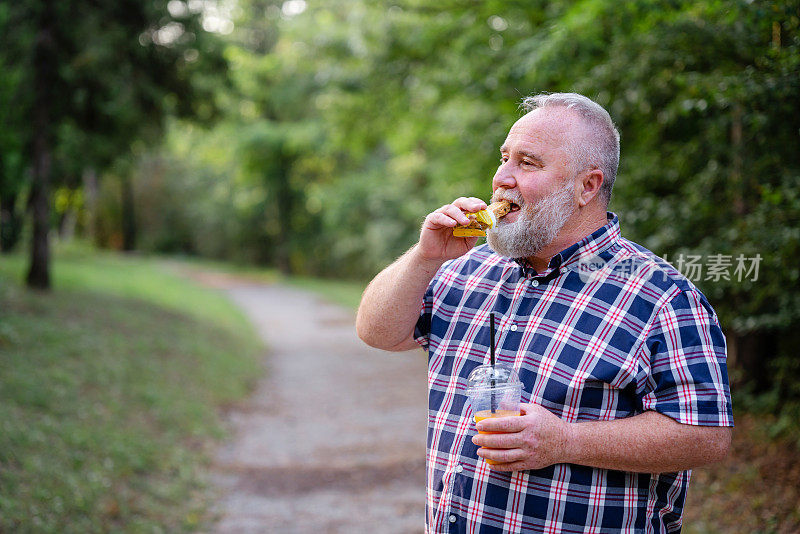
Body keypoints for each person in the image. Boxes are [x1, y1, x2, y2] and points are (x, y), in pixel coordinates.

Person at [356, 92, 733, 533]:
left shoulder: (661, 295)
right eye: (503, 158)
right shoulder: (467, 269)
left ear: (586, 186)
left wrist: (565, 440)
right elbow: (376, 331)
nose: (501, 178)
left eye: (527, 163)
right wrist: (424, 256)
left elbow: (706, 435)